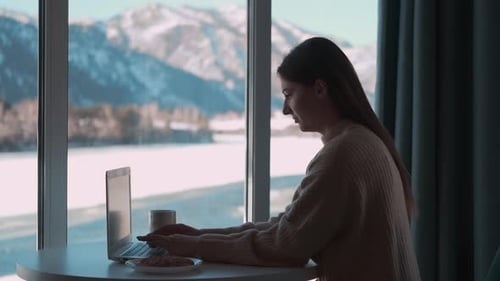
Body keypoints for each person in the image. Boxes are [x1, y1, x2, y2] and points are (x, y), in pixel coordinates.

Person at [138, 36, 422, 281]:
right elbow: (290, 225)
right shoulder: (361, 142)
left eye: (289, 94)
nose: (286, 109)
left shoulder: (343, 155)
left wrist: (191, 247)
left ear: (321, 89)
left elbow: (286, 245)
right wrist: (200, 235)